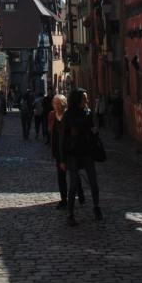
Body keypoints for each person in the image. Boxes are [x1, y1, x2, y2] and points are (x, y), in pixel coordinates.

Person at [60, 88, 103, 226]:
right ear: (78, 100)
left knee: (93, 182)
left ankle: (96, 208)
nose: (87, 100)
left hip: (87, 152)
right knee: (73, 184)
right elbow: (63, 138)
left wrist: (94, 133)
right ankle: (70, 214)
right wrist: (62, 159)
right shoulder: (68, 115)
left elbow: (92, 131)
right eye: (85, 98)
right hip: (73, 153)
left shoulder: (88, 113)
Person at [49, 94, 85, 209]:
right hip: (59, 151)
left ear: (64, 104)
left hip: (70, 150)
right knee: (61, 176)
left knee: (74, 174)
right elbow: (51, 132)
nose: (56, 106)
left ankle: (80, 192)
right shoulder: (52, 115)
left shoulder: (69, 115)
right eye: (55, 103)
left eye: (58, 103)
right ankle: (63, 200)